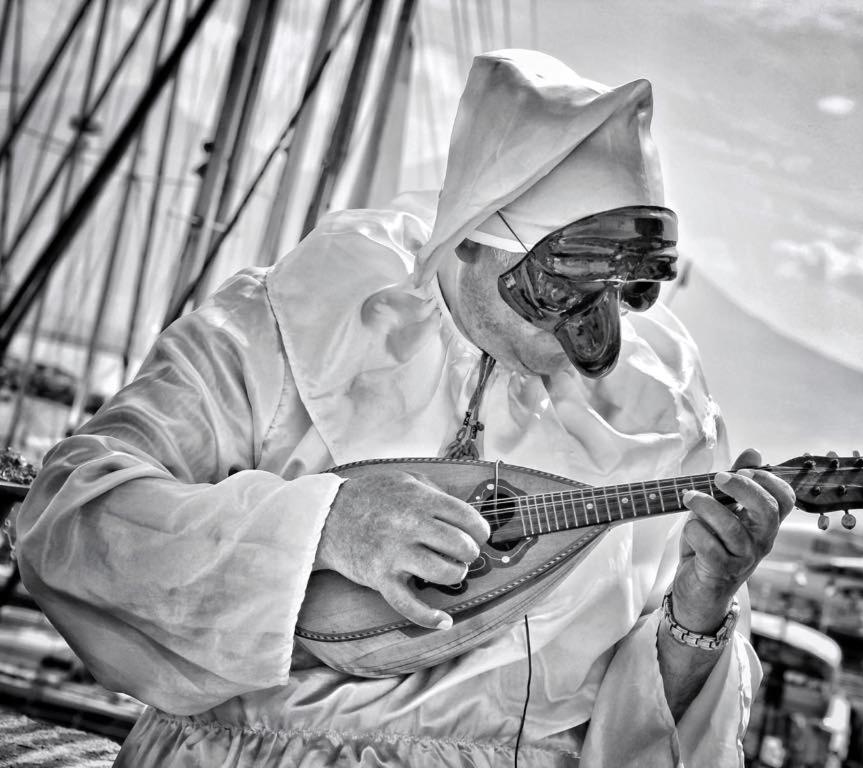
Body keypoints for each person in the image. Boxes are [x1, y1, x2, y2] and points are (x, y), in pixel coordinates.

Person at [15, 50, 793, 767]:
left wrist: (699, 609)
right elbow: (69, 519)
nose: (592, 339)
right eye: (562, 288)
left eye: (628, 294)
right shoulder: (288, 324)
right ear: (470, 233)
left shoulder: (665, 418)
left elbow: (642, 735)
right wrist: (321, 526)